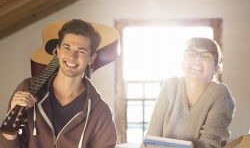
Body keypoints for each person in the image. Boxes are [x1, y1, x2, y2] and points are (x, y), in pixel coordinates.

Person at [0, 19, 117, 148]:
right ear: (58, 51)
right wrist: (10, 126)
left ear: (91, 58)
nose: (72, 56)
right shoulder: (27, 89)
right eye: (67, 48)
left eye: (81, 51)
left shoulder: (101, 113)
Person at [141, 37, 235, 148]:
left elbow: (209, 144)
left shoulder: (220, 94)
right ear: (182, 62)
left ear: (215, 68)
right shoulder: (170, 85)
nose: (197, 58)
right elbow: (151, 137)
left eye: (206, 55)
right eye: (191, 53)